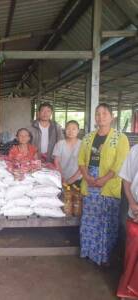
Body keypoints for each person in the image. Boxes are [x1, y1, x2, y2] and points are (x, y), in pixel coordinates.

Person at [78, 103, 129, 266]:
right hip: (90, 181)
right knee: (90, 219)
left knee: (107, 220)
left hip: (108, 183)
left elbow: (121, 163)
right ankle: (88, 251)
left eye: (104, 113)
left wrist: (104, 179)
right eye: (98, 114)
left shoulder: (120, 138)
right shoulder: (87, 137)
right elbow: (81, 160)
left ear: (112, 117)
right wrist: (87, 176)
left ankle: (104, 256)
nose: (101, 117)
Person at [117, 144, 138, 299]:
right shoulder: (135, 150)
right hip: (135, 211)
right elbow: (127, 180)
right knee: (132, 254)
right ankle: (128, 291)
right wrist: (132, 203)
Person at [53, 120, 82, 186]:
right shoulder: (60, 144)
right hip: (62, 179)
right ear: (65, 130)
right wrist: (61, 177)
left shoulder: (83, 145)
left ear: (78, 130)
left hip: (78, 179)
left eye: (73, 129)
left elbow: (84, 165)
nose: (70, 131)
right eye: (68, 129)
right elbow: (57, 162)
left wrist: (73, 179)